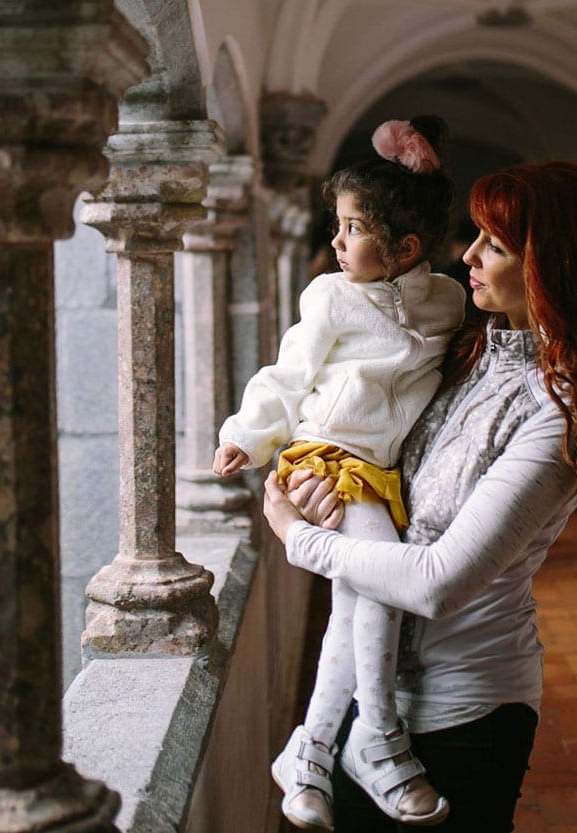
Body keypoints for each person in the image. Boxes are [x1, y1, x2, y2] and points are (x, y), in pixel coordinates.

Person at [262, 160, 577, 833]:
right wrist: (326, 490)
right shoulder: (464, 352)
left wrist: (299, 536)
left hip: (464, 713)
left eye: (496, 245)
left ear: (552, 266)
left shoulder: (563, 412)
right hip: (373, 696)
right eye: (474, 234)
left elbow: (437, 581)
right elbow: (376, 454)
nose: (468, 254)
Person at [214, 117, 466, 831]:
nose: (336, 240)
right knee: (382, 577)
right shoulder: (329, 297)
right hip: (323, 456)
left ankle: (312, 752)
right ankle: (378, 736)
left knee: (356, 605)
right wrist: (247, 433)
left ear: (404, 249)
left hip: (378, 475)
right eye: (337, 224)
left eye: (352, 228)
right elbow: (288, 373)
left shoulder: (447, 302)